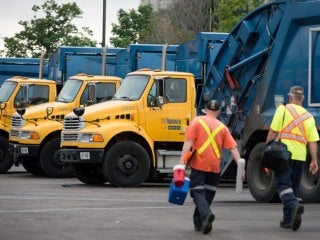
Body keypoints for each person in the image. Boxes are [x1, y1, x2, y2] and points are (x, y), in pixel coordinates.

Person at [179, 99, 245, 235]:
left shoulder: (197, 121)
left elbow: (188, 142)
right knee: (207, 194)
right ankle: (199, 223)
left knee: (197, 192)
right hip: (215, 166)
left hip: (199, 164)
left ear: (205, 109)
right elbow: (233, 148)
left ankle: (206, 214)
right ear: (218, 112)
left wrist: (181, 164)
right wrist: (240, 167)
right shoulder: (222, 127)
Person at [266, 86, 319, 231]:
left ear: (290, 97)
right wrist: (314, 160)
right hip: (300, 156)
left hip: (283, 154)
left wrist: (267, 149)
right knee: (293, 188)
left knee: (283, 186)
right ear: (302, 99)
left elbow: (273, 132)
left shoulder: (283, 109)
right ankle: (288, 220)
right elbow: (313, 141)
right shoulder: (309, 116)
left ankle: (294, 206)